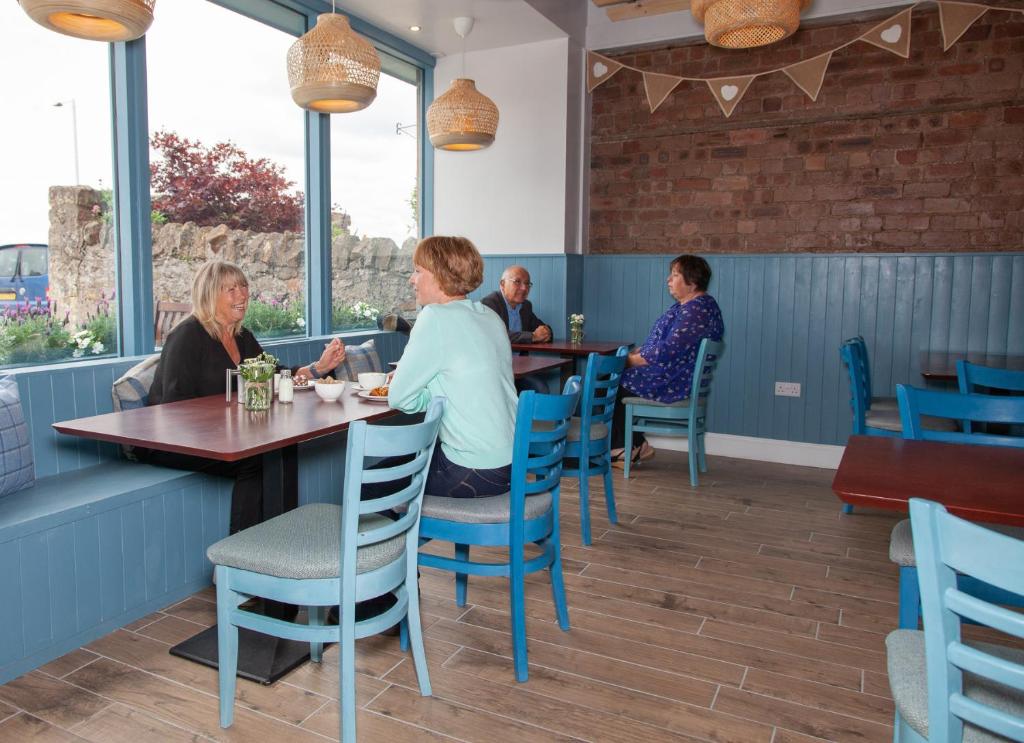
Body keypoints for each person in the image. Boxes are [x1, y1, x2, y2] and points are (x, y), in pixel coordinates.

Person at [144, 260, 347, 534]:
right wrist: (229, 423)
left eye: (244, 287)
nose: (242, 295)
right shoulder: (186, 336)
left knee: (283, 451)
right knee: (255, 459)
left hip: (223, 437)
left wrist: (319, 368)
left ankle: (281, 541)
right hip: (175, 443)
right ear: (209, 294)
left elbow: (276, 374)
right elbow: (174, 407)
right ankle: (242, 551)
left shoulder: (242, 337)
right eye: (231, 289)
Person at [388, 236, 519, 498]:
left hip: (475, 468)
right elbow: (466, 382)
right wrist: (442, 388)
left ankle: (399, 527)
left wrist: (430, 390)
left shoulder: (435, 317)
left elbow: (399, 398)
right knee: (400, 465)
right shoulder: (489, 316)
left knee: (371, 485)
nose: (412, 279)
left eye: (418, 271)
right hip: (513, 461)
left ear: (440, 275)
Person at [610, 254, 725, 467]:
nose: (668, 280)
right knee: (611, 378)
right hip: (672, 375)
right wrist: (637, 354)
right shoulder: (694, 306)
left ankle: (623, 448)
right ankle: (634, 445)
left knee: (610, 383)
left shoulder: (697, 310)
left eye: (675, 275)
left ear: (692, 281)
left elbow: (668, 350)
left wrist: (631, 361)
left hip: (673, 380)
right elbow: (666, 345)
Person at [481, 265, 553, 344]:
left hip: (520, 353)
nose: (524, 288)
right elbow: (496, 334)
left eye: (527, 283)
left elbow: (541, 327)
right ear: (502, 284)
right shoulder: (490, 303)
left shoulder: (526, 305)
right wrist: (533, 336)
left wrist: (547, 332)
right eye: (517, 282)